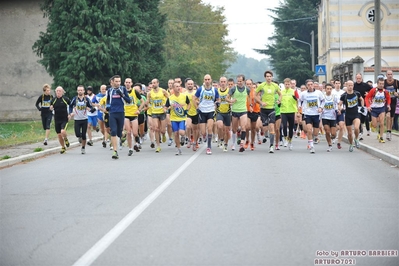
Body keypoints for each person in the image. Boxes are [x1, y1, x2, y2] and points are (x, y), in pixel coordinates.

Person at [255, 70, 281, 153]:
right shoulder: (262, 86)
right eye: (267, 76)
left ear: (272, 77)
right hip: (263, 110)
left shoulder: (275, 85)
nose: (269, 78)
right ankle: (265, 134)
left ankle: (271, 146)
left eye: (270, 76)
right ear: (265, 77)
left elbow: (281, 94)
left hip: (272, 109)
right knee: (265, 128)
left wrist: (279, 100)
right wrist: (261, 102)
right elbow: (255, 96)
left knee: (272, 127)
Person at [106, 75, 131, 159]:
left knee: (119, 133)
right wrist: (108, 106)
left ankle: (123, 136)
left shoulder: (123, 89)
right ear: (112, 82)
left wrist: (122, 95)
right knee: (113, 131)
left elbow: (128, 100)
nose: (118, 83)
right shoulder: (109, 90)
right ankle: (115, 151)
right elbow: (108, 100)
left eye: (119, 81)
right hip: (112, 113)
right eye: (116, 81)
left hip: (121, 112)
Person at [194, 74, 220, 155]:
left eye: (208, 79)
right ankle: (204, 136)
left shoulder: (214, 90)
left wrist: (217, 103)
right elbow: (194, 98)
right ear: (204, 80)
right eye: (206, 79)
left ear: (211, 80)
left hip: (211, 111)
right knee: (203, 132)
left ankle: (209, 147)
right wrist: (197, 107)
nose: (207, 81)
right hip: (202, 111)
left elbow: (218, 99)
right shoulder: (200, 89)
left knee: (209, 128)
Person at [298, 79, 325, 154]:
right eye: (308, 85)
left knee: (315, 133)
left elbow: (323, 100)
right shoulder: (303, 94)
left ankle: (312, 139)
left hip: (316, 114)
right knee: (309, 130)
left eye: (311, 84)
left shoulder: (318, 93)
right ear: (306, 86)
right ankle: (311, 145)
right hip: (307, 113)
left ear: (313, 85)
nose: (310, 86)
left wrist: (321, 108)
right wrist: (299, 106)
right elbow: (299, 100)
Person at [164, 82, 190, 155]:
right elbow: (165, 107)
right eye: (176, 86)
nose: (178, 88)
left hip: (182, 118)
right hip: (174, 118)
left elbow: (189, 104)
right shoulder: (170, 98)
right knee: (176, 134)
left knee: (181, 132)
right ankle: (178, 149)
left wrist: (186, 110)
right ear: (173, 88)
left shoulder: (184, 96)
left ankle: (183, 137)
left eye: (179, 86)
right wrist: (167, 110)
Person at [69, 85, 96, 154]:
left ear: (84, 91)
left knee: (84, 135)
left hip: (84, 119)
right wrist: (70, 113)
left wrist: (90, 109)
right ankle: (80, 137)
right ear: (77, 91)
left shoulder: (86, 99)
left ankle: (83, 147)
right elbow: (70, 106)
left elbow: (92, 108)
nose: (80, 91)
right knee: (77, 134)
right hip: (77, 119)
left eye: (81, 90)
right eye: (79, 90)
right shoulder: (75, 99)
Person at [339, 80, 364, 151]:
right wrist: (340, 108)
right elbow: (339, 104)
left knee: (356, 128)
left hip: (356, 114)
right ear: (346, 86)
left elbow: (361, 99)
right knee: (350, 133)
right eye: (349, 85)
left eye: (351, 85)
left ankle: (356, 139)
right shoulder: (344, 95)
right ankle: (350, 144)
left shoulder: (357, 93)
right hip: (348, 115)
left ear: (353, 86)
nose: (350, 87)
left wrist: (362, 106)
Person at [227, 74, 250, 152]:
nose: (239, 82)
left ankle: (242, 144)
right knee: (234, 129)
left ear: (244, 81)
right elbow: (227, 98)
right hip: (235, 111)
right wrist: (231, 101)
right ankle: (233, 143)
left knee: (244, 127)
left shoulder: (247, 89)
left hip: (243, 110)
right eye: (238, 81)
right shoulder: (233, 89)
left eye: (241, 81)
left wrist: (250, 105)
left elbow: (250, 98)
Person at [365, 77, 391, 143]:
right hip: (373, 109)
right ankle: (372, 124)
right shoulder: (373, 90)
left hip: (381, 108)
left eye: (382, 84)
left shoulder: (385, 92)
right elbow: (367, 98)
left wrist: (388, 105)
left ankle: (381, 137)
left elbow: (388, 98)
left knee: (382, 123)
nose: (381, 85)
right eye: (380, 84)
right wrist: (368, 106)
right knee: (375, 125)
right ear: (377, 84)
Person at [146, 78, 169, 153]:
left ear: (158, 83)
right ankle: (158, 146)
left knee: (162, 130)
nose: (153, 84)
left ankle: (163, 134)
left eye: (154, 83)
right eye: (152, 83)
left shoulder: (163, 91)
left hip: (162, 112)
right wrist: (147, 105)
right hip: (154, 112)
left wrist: (166, 106)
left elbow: (169, 99)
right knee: (156, 128)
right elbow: (148, 102)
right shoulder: (149, 93)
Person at [124, 81, 144, 156]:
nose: (127, 83)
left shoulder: (135, 91)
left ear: (131, 84)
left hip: (134, 114)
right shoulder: (122, 91)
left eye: (129, 82)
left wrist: (139, 110)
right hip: (126, 114)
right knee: (128, 132)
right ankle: (130, 148)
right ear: (124, 83)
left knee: (135, 133)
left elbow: (142, 102)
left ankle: (137, 139)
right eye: (126, 82)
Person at [49, 86, 71, 154]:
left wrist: (70, 114)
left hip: (64, 119)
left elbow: (71, 106)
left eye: (59, 91)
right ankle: (63, 147)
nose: (58, 92)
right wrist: (50, 108)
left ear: (62, 92)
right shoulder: (53, 100)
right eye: (57, 91)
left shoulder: (66, 99)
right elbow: (50, 108)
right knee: (59, 135)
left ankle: (66, 139)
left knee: (63, 131)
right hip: (57, 119)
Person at [280, 78, 299, 150]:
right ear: (284, 84)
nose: (287, 85)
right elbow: (279, 100)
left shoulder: (294, 91)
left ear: (290, 84)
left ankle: (290, 141)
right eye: (286, 84)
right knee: (284, 125)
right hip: (284, 111)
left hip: (291, 111)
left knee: (291, 127)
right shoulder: (281, 92)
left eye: (288, 84)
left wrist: (297, 112)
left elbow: (298, 100)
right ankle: (285, 138)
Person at [354, 73, 372, 139]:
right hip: (356, 105)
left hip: (364, 104)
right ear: (355, 78)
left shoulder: (365, 85)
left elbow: (372, 91)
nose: (358, 80)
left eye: (359, 78)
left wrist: (368, 94)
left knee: (365, 119)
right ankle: (360, 133)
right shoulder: (354, 85)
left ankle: (367, 129)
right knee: (358, 119)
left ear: (361, 78)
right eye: (357, 78)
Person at [321, 83, 338, 152]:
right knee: (327, 131)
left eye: (330, 89)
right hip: (325, 116)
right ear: (325, 89)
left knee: (333, 134)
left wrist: (338, 110)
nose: (329, 90)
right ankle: (329, 145)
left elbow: (337, 104)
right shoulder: (322, 97)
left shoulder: (334, 96)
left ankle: (334, 136)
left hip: (332, 117)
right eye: (327, 89)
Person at [216, 76, 231, 152]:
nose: (222, 83)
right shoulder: (217, 91)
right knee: (220, 125)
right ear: (219, 82)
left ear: (226, 82)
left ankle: (225, 144)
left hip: (228, 112)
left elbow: (232, 100)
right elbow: (214, 100)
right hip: (219, 112)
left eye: (224, 82)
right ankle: (221, 139)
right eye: (221, 82)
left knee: (226, 130)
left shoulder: (229, 91)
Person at [185, 78, 200, 151]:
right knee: (188, 126)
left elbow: (200, 101)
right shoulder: (184, 93)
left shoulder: (196, 92)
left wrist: (197, 102)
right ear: (186, 85)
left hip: (196, 112)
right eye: (188, 84)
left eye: (191, 84)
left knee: (195, 129)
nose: (190, 85)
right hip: (188, 112)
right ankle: (188, 139)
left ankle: (195, 142)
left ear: (193, 85)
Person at [384, 70, 399, 140]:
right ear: (386, 75)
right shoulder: (384, 82)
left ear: (393, 75)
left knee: (392, 118)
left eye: (391, 74)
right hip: (386, 102)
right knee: (387, 116)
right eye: (388, 74)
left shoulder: (396, 82)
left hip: (393, 101)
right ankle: (388, 131)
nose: (390, 76)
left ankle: (389, 131)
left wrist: (397, 94)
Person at [332, 79, 346, 149]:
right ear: (334, 84)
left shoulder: (343, 92)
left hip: (341, 110)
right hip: (333, 111)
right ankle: (333, 135)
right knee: (334, 128)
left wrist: (344, 108)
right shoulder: (332, 92)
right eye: (336, 83)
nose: (338, 85)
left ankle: (339, 142)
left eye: (339, 83)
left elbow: (345, 102)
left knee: (341, 126)